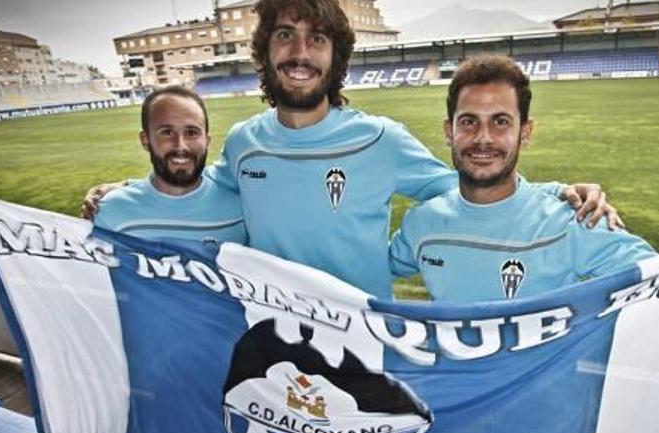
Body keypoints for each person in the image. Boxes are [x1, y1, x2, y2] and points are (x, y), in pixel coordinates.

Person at [82, 0, 618, 299]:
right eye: (286, 36)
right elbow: (195, 192)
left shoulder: (379, 139)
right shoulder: (245, 144)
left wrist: (558, 194)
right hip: (270, 332)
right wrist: (123, 192)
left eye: (317, 40)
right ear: (265, 51)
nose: (299, 52)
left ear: (335, 57)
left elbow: (470, 188)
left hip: (363, 336)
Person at [389, 55, 659, 302]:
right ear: (449, 131)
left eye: (500, 122)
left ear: (525, 133)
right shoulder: (422, 224)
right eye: (468, 122)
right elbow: (354, 276)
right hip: (451, 426)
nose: (483, 139)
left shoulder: (573, 218)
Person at [0, 86, 247, 246]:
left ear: (207, 140)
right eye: (166, 132)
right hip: (145, 359)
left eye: (191, 133)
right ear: (145, 140)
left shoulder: (241, 204)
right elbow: (59, 252)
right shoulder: (111, 210)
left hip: (234, 359)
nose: (180, 145)